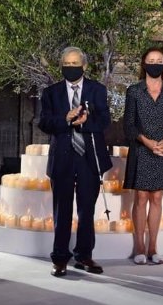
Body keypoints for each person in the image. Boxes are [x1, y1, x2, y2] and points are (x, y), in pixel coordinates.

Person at [38, 47, 112, 277]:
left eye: (75, 63)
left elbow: (104, 121)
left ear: (85, 66)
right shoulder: (51, 92)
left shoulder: (97, 90)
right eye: (66, 64)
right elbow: (44, 123)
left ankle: (84, 256)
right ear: (61, 66)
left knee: (87, 210)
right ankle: (59, 258)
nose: (71, 67)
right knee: (62, 211)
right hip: (62, 158)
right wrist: (66, 119)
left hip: (89, 159)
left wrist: (86, 121)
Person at [123, 48, 163, 265]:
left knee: (158, 197)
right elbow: (128, 125)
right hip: (142, 149)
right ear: (144, 64)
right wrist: (148, 143)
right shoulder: (134, 91)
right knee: (141, 198)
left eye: (159, 61)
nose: (155, 63)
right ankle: (139, 246)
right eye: (151, 60)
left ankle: (153, 247)